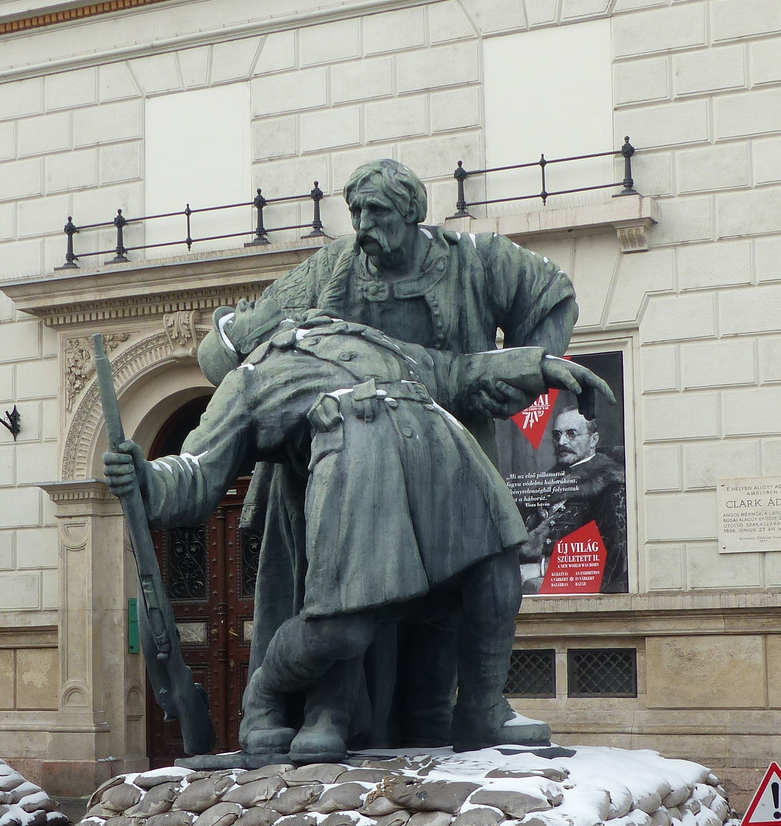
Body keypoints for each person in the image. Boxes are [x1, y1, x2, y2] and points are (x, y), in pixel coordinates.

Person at [105, 298, 610, 763]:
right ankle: (265, 691)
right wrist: (147, 478)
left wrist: (536, 365)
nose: (247, 305)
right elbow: (198, 469)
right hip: (360, 477)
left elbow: (456, 371)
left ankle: (481, 709)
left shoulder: (366, 337)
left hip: (447, 466)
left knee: (498, 578)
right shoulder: (252, 378)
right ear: (235, 346)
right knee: (343, 628)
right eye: (236, 316)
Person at [249, 159, 581, 748]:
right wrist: (245, 336)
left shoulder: (475, 260)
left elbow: (553, 297)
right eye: (355, 212)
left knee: (484, 577)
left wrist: (529, 375)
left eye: (376, 210)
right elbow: (252, 342)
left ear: (411, 212)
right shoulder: (332, 270)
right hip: (348, 463)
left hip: (449, 459)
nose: (363, 224)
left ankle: (473, 709)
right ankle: (328, 714)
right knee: (347, 584)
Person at [519, 408, 627, 594]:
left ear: (593, 439)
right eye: (557, 435)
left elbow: (613, 557)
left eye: (571, 434)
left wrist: (541, 568)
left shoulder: (610, 485)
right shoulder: (545, 482)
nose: (561, 442)